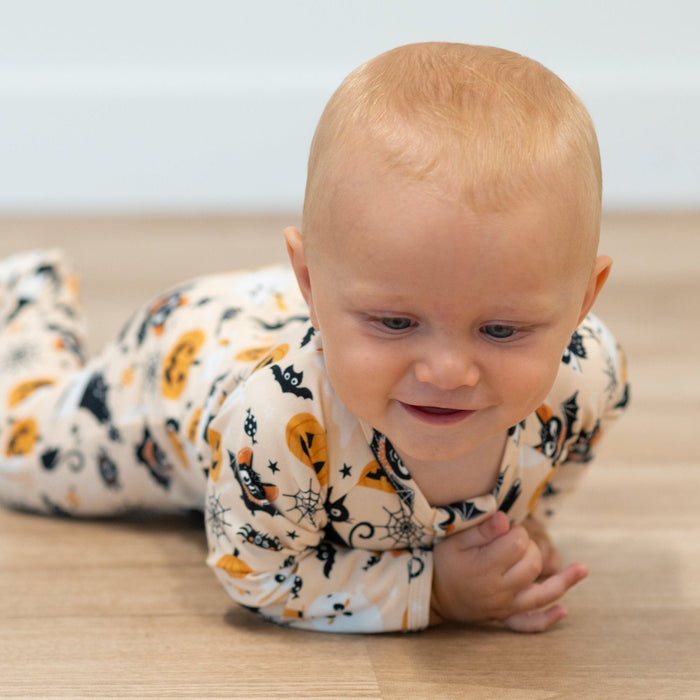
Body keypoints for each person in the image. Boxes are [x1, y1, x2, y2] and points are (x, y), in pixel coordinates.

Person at [0, 42, 628, 633]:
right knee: (23, 450)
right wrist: (435, 590)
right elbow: (260, 574)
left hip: (300, 308)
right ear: (312, 283)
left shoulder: (589, 374)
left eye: (499, 330)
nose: (447, 371)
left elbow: (559, 460)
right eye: (396, 321)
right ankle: (25, 298)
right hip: (180, 361)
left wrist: (524, 524)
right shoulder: (274, 420)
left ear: (582, 302)